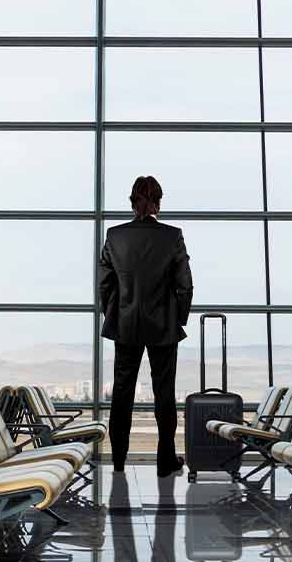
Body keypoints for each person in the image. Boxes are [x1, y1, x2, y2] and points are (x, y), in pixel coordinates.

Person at [97, 175, 195, 476]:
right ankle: (165, 461)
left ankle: (117, 460)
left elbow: (104, 284)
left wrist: (112, 314)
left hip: (125, 325)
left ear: (132, 202)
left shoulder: (115, 236)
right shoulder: (172, 236)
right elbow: (185, 286)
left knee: (122, 393)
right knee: (164, 394)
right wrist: (176, 318)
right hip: (163, 326)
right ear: (158, 202)